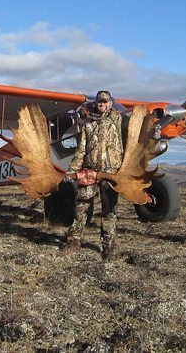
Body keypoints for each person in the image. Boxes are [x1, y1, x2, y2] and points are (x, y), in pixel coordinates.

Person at [64, 90, 124, 260]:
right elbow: (82, 148)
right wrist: (74, 170)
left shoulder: (119, 119)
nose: (102, 104)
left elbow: (136, 134)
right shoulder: (88, 123)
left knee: (109, 210)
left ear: (110, 103)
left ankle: (108, 247)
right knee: (81, 205)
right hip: (89, 171)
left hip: (111, 173)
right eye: (100, 102)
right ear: (96, 103)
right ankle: (73, 241)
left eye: (105, 101)